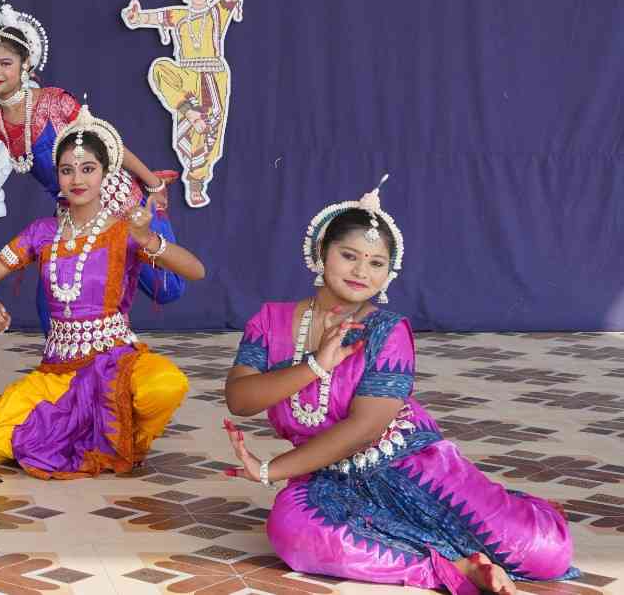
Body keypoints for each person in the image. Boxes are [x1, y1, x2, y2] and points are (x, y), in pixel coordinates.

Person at [222, 179, 575, 595]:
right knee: (292, 531)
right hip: (322, 476)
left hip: (411, 465)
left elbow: (366, 429)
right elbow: (240, 399)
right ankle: (454, 568)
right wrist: (315, 365)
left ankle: (504, 516)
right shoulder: (271, 321)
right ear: (321, 252)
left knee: (545, 553)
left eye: (376, 263)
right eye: (349, 256)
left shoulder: (388, 331)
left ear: (389, 273)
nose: (361, 272)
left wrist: (270, 470)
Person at [0, 5, 177, 333]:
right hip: (73, 214)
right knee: (52, 297)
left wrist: (153, 184)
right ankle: (65, 357)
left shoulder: (55, 101)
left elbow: (109, 142)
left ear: (24, 65)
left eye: (5, 63)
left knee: (167, 288)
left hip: (117, 201)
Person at [0, 107, 207, 478]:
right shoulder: (41, 233)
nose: (77, 179)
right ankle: (93, 431)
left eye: (87, 169)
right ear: (58, 176)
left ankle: (126, 438)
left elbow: (196, 270)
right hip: (59, 370)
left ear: (105, 174)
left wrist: (148, 239)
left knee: (165, 385)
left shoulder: (124, 231)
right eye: (67, 170)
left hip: (115, 361)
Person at [121, 0, 247, 207]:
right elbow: (146, 18)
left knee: (207, 132)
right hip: (186, 76)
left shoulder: (217, 13)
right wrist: (135, 17)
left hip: (213, 78)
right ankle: (189, 111)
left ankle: (196, 180)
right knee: (159, 68)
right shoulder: (178, 15)